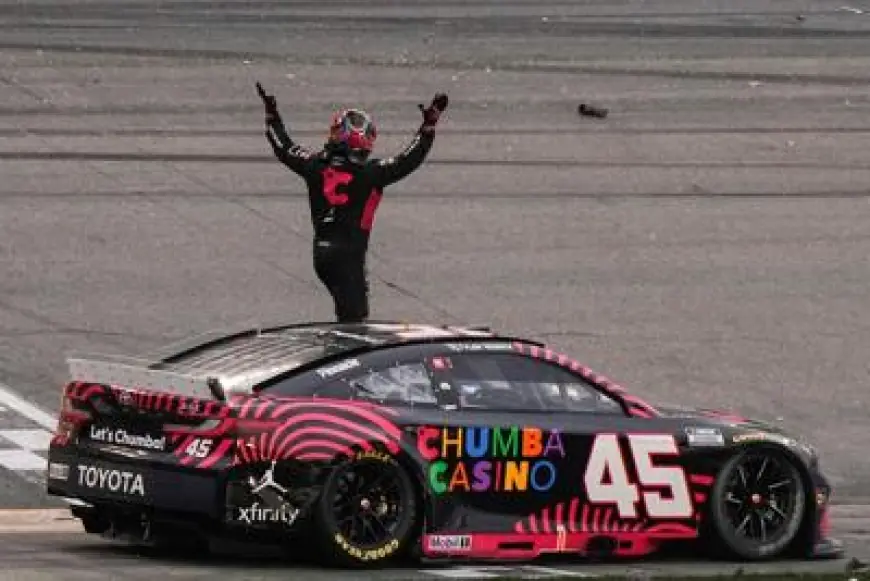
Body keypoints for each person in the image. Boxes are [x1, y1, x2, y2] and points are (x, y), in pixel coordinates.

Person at [257, 82, 448, 323]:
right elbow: (408, 160)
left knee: (346, 316)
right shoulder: (370, 173)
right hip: (348, 258)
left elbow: (284, 147)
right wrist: (428, 127)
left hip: (321, 256)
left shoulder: (314, 165)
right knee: (355, 325)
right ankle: (338, 357)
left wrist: (272, 117)